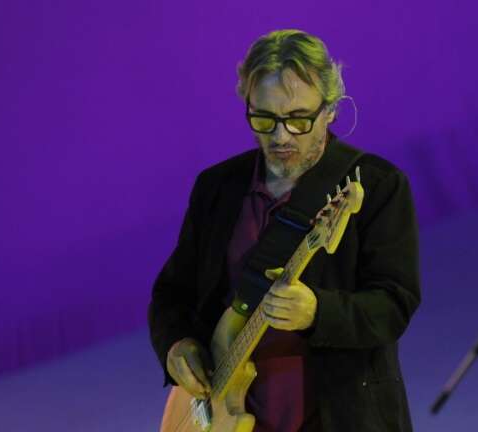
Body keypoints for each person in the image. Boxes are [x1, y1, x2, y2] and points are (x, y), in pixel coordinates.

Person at [149, 29, 420, 431]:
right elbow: (172, 293)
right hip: (227, 417)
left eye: (298, 119)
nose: (280, 136)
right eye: (264, 118)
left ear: (330, 110)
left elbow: (394, 304)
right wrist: (176, 344)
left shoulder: (378, 185)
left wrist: (318, 312)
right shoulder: (217, 188)